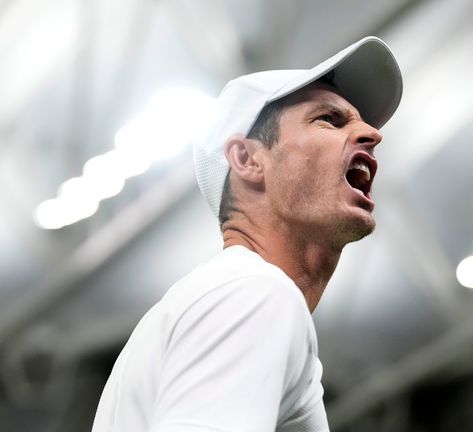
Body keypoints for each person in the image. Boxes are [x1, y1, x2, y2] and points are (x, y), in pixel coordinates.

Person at [92, 36, 403, 432]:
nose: (372, 134)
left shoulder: (230, 294)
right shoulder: (256, 293)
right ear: (247, 159)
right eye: (329, 119)